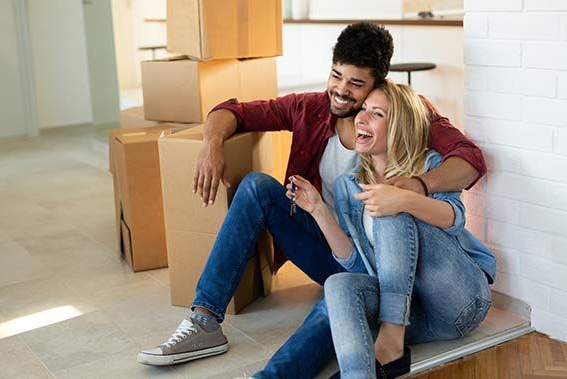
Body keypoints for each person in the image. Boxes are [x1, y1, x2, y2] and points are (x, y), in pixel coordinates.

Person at [137, 22, 487, 378]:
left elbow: (469, 158)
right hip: (341, 252)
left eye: (356, 84)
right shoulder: (317, 116)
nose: (340, 91)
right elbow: (234, 111)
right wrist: (211, 145)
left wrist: (415, 186)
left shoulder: (404, 117)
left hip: (394, 269)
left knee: (336, 302)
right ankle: (205, 319)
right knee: (258, 188)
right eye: (336, 76)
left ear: (377, 88)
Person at [288, 80, 495, 378]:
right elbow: (358, 265)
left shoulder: (430, 164)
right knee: (338, 285)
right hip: (417, 315)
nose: (361, 117)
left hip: (459, 299)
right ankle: (360, 374)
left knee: (389, 204)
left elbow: (454, 218)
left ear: (399, 126)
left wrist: (406, 198)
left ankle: (391, 339)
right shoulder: (349, 185)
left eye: (377, 114)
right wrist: (318, 209)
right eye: (364, 110)